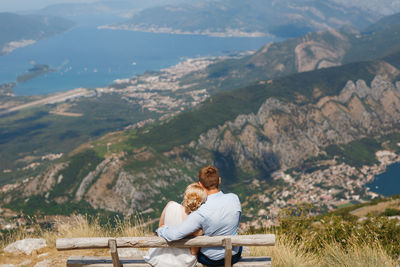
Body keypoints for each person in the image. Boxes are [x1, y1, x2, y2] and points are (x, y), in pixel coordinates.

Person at [157, 166, 242, 266]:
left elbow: (175, 235)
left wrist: (161, 230)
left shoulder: (200, 212)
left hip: (212, 260)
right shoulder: (234, 198)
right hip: (234, 255)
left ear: (200, 185)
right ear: (219, 181)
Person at [144, 182, 207, 267]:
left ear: (185, 196)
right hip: (182, 261)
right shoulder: (196, 223)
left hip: (159, 257)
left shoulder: (170, 205)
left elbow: (160, 227)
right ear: (201, 202)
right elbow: (193, 252)